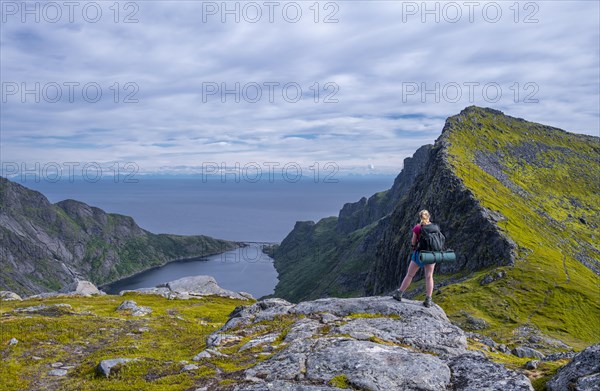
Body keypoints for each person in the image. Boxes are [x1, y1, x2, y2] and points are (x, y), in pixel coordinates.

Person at [392, 209, 436, 307]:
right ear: (429, 216)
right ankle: (428, 300)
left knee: (410, 275)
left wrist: (413, 247)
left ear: (420, 217)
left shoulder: (417, 227)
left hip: (419, 254)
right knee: (429, 277)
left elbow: (413, 241)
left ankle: (399, 294)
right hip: (432, 255)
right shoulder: (434, 227)